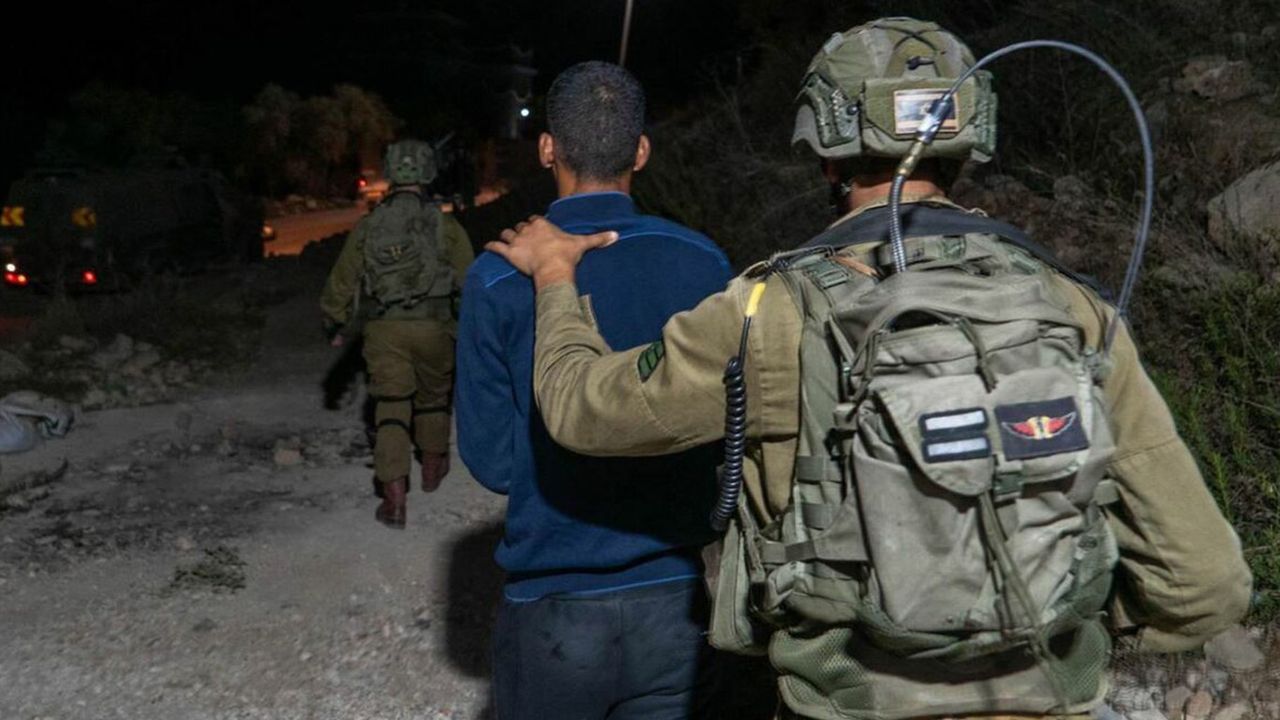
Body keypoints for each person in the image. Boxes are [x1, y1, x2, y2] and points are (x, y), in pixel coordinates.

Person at [484, 19, 1253, 720]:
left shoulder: (768, 309)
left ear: (826, 150)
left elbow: (584, 411)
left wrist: (555, 277)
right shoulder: (1070, 307)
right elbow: (1205, 582)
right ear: (967, 143)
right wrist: (1054, 620)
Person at [455, 61, 733, 720]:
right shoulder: (705, 263)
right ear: (641, 151)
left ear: (547, 148)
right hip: (675, 603)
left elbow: (494, 464)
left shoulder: (498, 278)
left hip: (553, 610)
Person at [320, 139, 473, 528]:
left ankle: (394, 500)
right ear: (428, 173)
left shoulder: (370, 225)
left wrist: (335, 322)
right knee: (434, 399)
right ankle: (433, 471)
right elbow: (470, 281)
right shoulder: (445, 225)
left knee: (391, 406)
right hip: (435, 327)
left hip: (385, 329)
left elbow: (343, 280)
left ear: (390, 173)